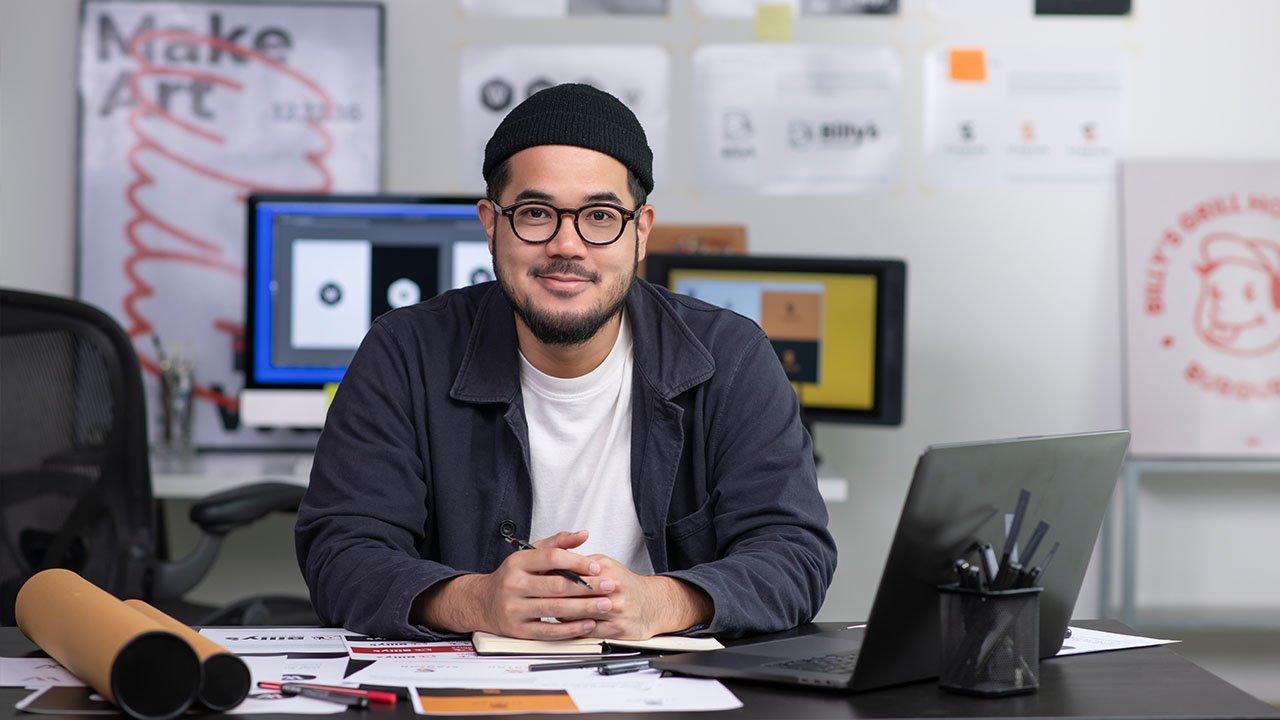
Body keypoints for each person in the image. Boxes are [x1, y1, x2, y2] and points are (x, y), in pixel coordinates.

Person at [295, 83, 837, 641]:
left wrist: (662, 602)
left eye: (600, 216)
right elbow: (341, 552)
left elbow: (794, 553)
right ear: (490, 224)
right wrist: (475, 601)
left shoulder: (731, 357)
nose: (567, 245)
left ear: (641, 231)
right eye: (535, 213)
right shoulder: (403, 352)